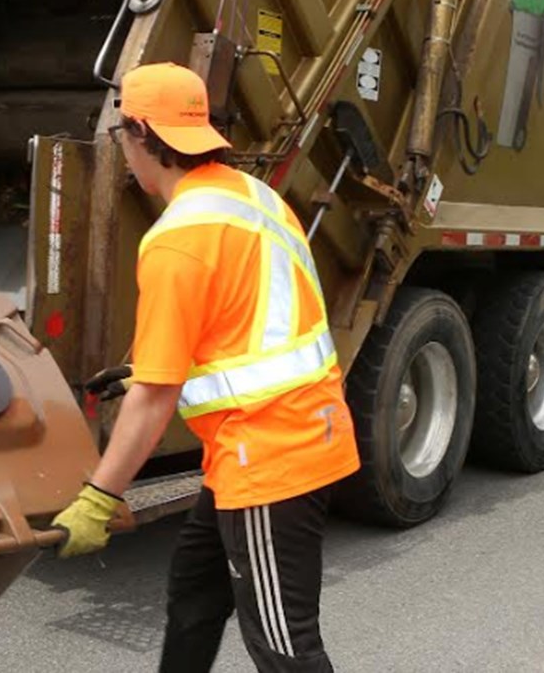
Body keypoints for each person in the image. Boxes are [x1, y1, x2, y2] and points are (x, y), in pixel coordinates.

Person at [50, 61, 360, 672]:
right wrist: (146, 369)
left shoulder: (176, 239)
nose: (123, 151)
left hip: (272, 457)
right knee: (194, 592)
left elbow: (155, 401)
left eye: (121, 136)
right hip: (275, 436)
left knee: (284, 647)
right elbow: (247, 322)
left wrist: (97, 497)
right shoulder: (254, 196)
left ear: (143, 135)